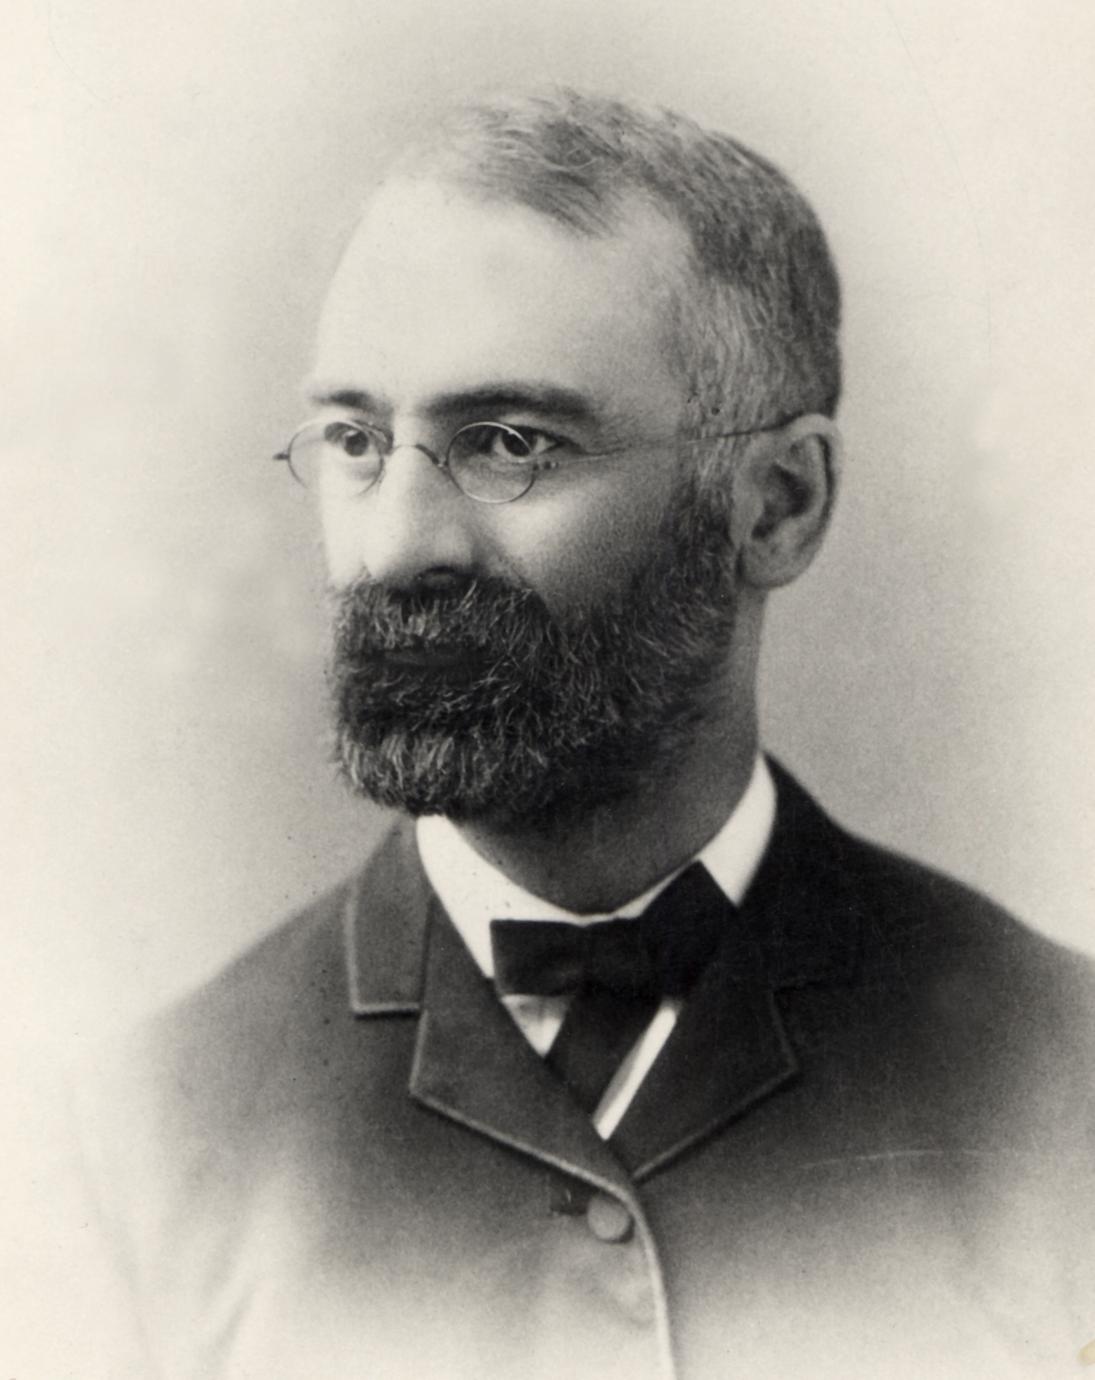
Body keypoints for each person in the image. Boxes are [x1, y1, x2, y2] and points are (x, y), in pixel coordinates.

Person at [77, 89, 1095, 1380]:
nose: (394, 548)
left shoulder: (1064, 1087)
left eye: (509, 444)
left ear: (778, 504)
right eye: (354, 439)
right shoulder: (128, 1148)